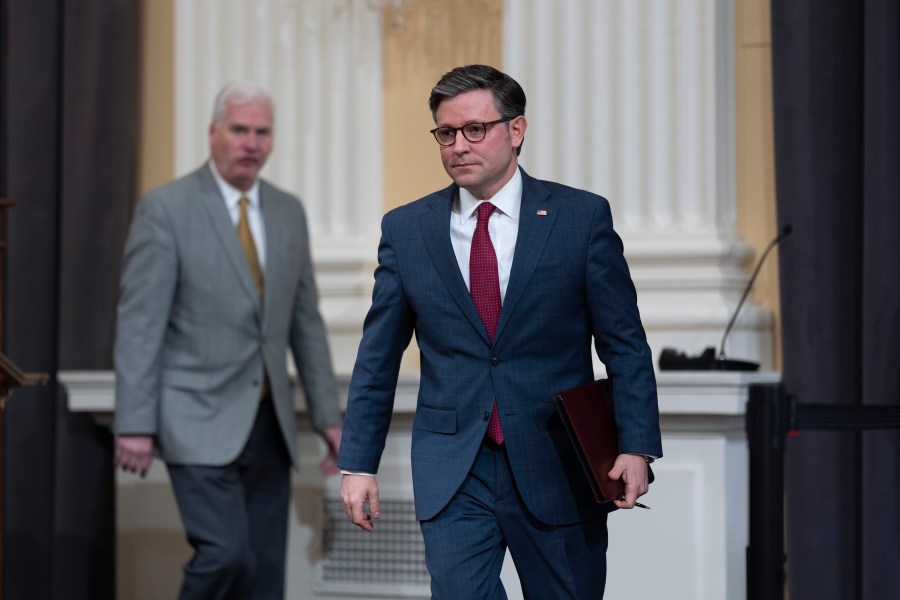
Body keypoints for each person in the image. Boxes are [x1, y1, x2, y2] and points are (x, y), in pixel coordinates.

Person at [338, 64, 662, 599]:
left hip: (557, 459)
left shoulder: (579, 218)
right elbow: (378, 356)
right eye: (446, 133)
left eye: (474, 129)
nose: (458, 145)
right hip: (454, 466)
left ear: (516, 130)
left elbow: (624, 344)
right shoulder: (406, 229)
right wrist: (358, 463)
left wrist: (637, 445)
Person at [113, 80, 342, 600]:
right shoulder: (166, 208)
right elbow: (140, 324)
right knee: (226, 554)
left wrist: (330, 420)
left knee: (263, 573)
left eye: (262, 132)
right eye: (239, 129)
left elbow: (305, 321)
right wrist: (133, 421)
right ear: (214, 132)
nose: (250, 143)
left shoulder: (288, 211)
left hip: (269, 421)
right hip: (192, 414)